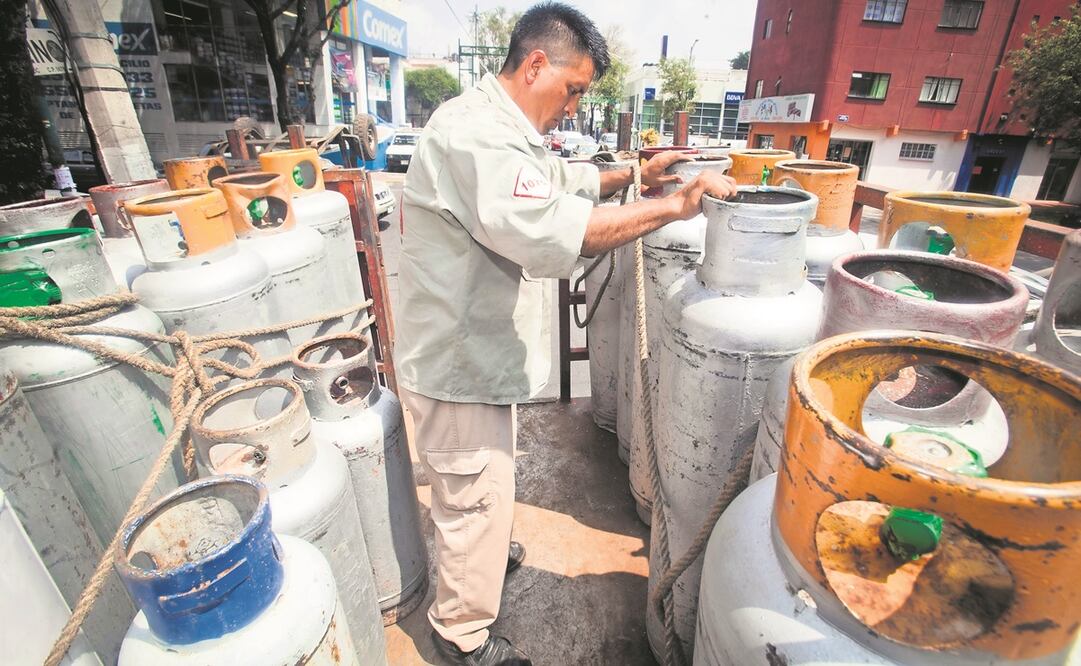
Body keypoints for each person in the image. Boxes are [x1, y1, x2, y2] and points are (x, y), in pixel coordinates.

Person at [396, 3, 737, 664]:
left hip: (471, 351)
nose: (575, 105)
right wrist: (672, 205)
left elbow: (553, 182)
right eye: (573, 88)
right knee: (471, 490)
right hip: (456, 358)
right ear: (534, 64)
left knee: (472, 481)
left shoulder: (498, 125)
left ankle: (481, 554)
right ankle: (460, 635)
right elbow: (559, 228)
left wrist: (633, 175)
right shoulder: (476, 135)